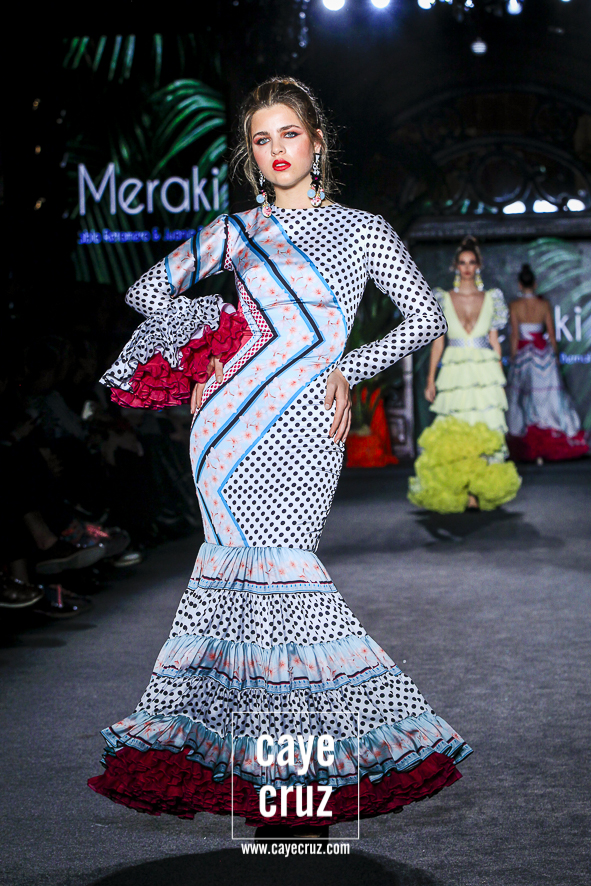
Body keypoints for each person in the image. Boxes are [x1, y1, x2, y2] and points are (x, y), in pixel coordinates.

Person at [88, 77, 471, 836]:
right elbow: (147, 291)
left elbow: (423, 318)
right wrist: (207, 346)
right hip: (225, 428)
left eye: (289, 134)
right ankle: (277, 785)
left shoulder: (362, 230)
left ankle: (295, 778)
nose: (277, 151)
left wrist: (348, 368)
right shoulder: (235, 230)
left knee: (289, 581)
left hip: (304, 425)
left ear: (316, 142)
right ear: (251, 154)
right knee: (239, 595)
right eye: (261, 140)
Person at [408, 236, 521, 513]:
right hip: (455, 371)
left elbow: (495, 341)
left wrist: (499, 379)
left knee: (485, 427)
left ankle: (480, 488)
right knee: (456, 428)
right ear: (456, 266)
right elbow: (438, 342)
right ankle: (463, 489)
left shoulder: (491, 298)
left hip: (483, 371)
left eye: (471, 262)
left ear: (478, 266)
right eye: (462, 262)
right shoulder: (443, 298)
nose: (467, 267)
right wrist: (431, 379)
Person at [506, 264, 589, 462]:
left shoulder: (515, 306)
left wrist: (514, 359)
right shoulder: (543, 305)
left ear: (520, 284)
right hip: (543, 356)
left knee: (524, 397)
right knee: (548, 395)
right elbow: (551, 335)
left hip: (524, 356)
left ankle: (528, 429)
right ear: (535, 284)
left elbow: (515, 335)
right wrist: (555, 358)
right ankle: (550, 426)